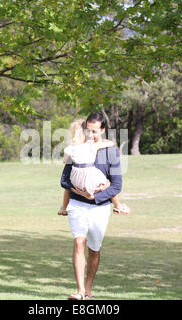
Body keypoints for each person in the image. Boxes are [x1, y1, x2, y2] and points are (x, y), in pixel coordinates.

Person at [59, 111, 128, 300]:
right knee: (79, 241)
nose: (91, 135)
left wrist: (95, 196)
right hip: (77, 204)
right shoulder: (78, 149)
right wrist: (81, 192)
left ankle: (88, 290)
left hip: (100, 207)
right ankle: (80, 291)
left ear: (103, 130)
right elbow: (64, 180)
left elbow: (116, 185)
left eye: (95, 131)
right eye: (88, 131)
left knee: (94, 248)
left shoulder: (111, 152)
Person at [58, 119, 131, 217]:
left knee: (69, 186)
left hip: (77, 179)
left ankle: (63, 208)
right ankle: (118, 206)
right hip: (90, 177)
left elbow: (65, 161)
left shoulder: (71, 148)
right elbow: (109, 144)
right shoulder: (92, 146)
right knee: (107, 183)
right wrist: (108, 142)